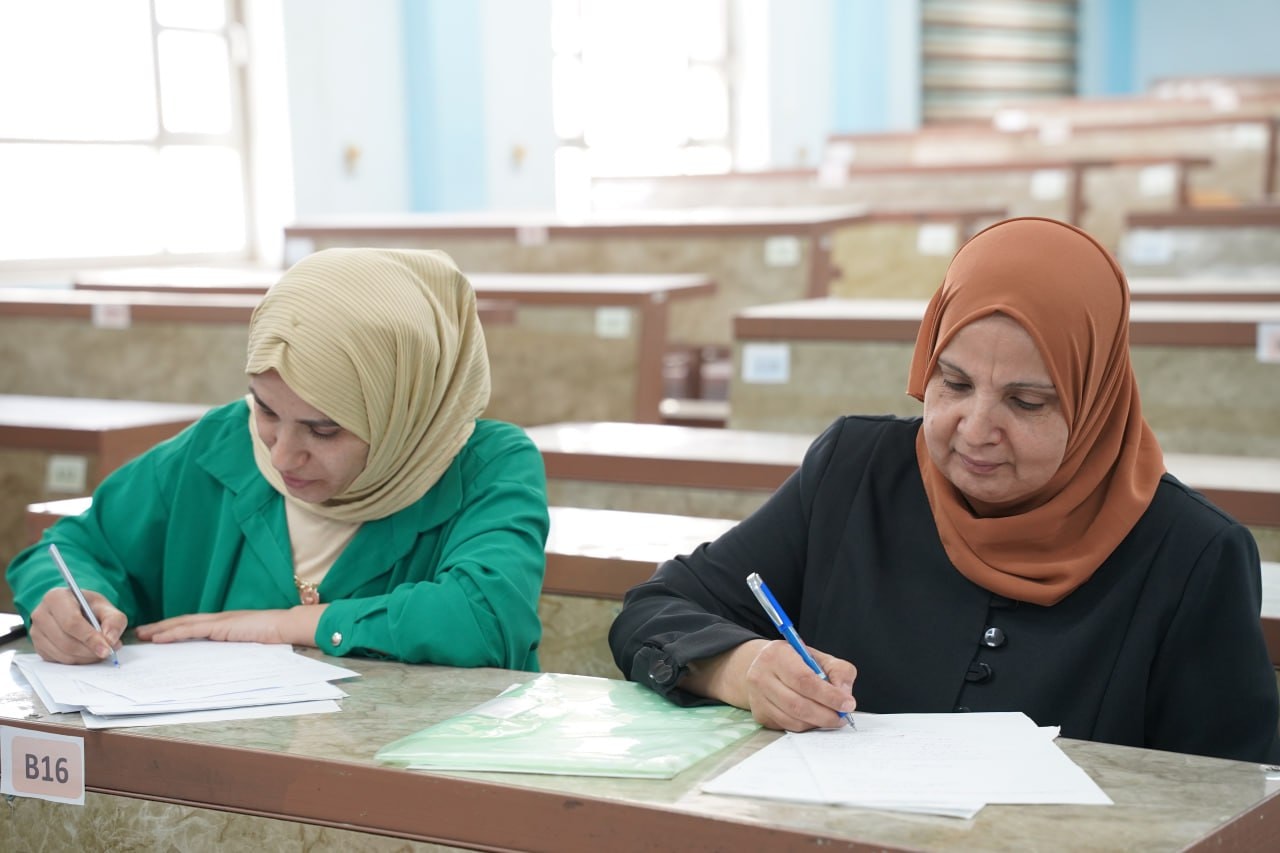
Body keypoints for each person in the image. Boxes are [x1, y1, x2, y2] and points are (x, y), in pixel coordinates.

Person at [609, 216, 1280, 764]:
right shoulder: (855, 472)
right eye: (954, 384)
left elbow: (1228, 796)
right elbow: (655, 610)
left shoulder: (1191, 554)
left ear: (1095, 404)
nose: (976, 429)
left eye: (1026, 401)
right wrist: (743, 665)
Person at [9, 248, 550, 669]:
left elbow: (487, 620)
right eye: (266, 410)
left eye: (323, 429)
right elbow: (76, 545)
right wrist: (64, 600)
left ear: (402, 411)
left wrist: (289, 625)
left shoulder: (485, 466)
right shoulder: (222, 442)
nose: (283, 454)